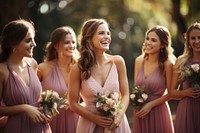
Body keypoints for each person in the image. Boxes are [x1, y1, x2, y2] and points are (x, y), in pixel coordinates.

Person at [68, 18, 131, 133]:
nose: (107, 37)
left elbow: (126, 94)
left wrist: (119, 115)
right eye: (101, 33)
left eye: (108, 33)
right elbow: (72, 103)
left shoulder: (118, 62)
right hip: (89, 124)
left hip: (116, 124)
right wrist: (95, 119)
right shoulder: (77, 68)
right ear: (88, 39)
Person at [0, 19, 52, 133]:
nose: (34, 44)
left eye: (33, 39)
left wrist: (47, 109)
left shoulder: (33, 63)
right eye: (28, 40)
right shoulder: (2, 71)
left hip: (41, 127)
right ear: (13, 43)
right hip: (17, 128)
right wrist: (24, 108)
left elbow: (37, 97)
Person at [133, 26, 175, 133]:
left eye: (153, 40)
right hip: (140, 113)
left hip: (159, 112)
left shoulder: (168, 64)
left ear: (163, 45)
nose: (148, 42)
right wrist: (136, 107)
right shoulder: (139, 61)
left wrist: (150, 105)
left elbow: (171, 94)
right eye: (147, 38)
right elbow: (135, 90)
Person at [37, 26, 79, 133]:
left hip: (75, 120)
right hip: (50, 121)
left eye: (73, 42)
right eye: (66, 42)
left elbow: (88, 100)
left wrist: (75, 105)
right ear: (56, 45)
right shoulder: (42, 68)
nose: (71, 46)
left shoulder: (80, 69)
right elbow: (31, 96)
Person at [170, 22, 200, 133]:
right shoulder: (181, 61)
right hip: (187, 110)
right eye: (193, 38)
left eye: (199, 37)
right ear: (188, 41)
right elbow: (172, 92)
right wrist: (185, 93)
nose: (197, 41)